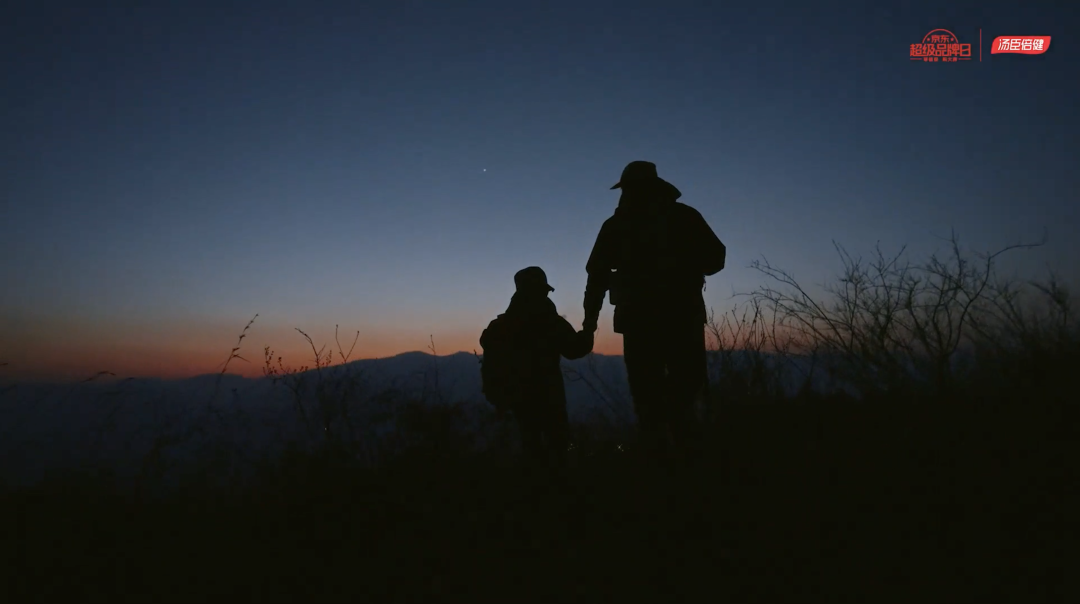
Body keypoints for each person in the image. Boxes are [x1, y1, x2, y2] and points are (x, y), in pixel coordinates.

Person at [581, 161, 727, 463]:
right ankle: (685, 458)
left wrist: (590, 323)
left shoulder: (616, 226)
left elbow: (597, 277)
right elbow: (716, 259)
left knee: (649, 400)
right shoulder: (684, 217)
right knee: (683, 392)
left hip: (640, 323)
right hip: (681, 320)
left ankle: (661, 465)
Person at [480, 267, 595, 475]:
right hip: (549, 395)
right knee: (557, 447)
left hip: (517, 397)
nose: (547, 294)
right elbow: (575, 349)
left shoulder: (502, 325)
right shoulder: (549, 322)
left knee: (530, 445)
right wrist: (588, 330)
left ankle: (533, 492)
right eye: (544, 290)